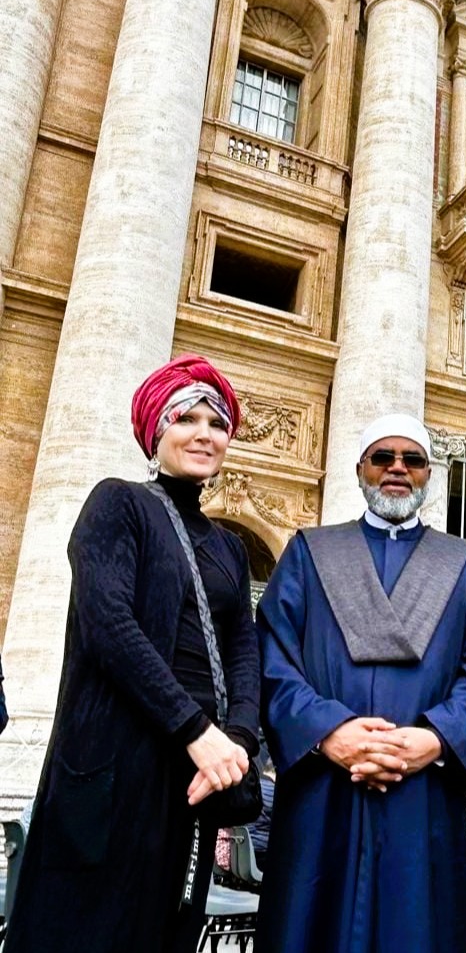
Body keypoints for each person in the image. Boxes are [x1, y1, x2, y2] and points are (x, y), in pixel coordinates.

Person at [5, 354, 260, 953]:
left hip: (198, 777)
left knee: (168, 928)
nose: (203, 434)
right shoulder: (117, 503)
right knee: (86, 930)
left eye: (217, 423)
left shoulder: (229, 547)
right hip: (118, 762)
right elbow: (108, 626)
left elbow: (244, 650)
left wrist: (239, 743)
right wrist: (196, 730)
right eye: (186, 418)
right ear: (155, 432)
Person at [255, 412, 466, 953]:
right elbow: (272, 659)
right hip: (324, 786)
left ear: (429, 474)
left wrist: (436, 740)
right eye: (383, 458)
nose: (397, 468)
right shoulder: (309, 553)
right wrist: (329, 732)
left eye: (412, 459)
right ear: (359, 469)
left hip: (422, 788)